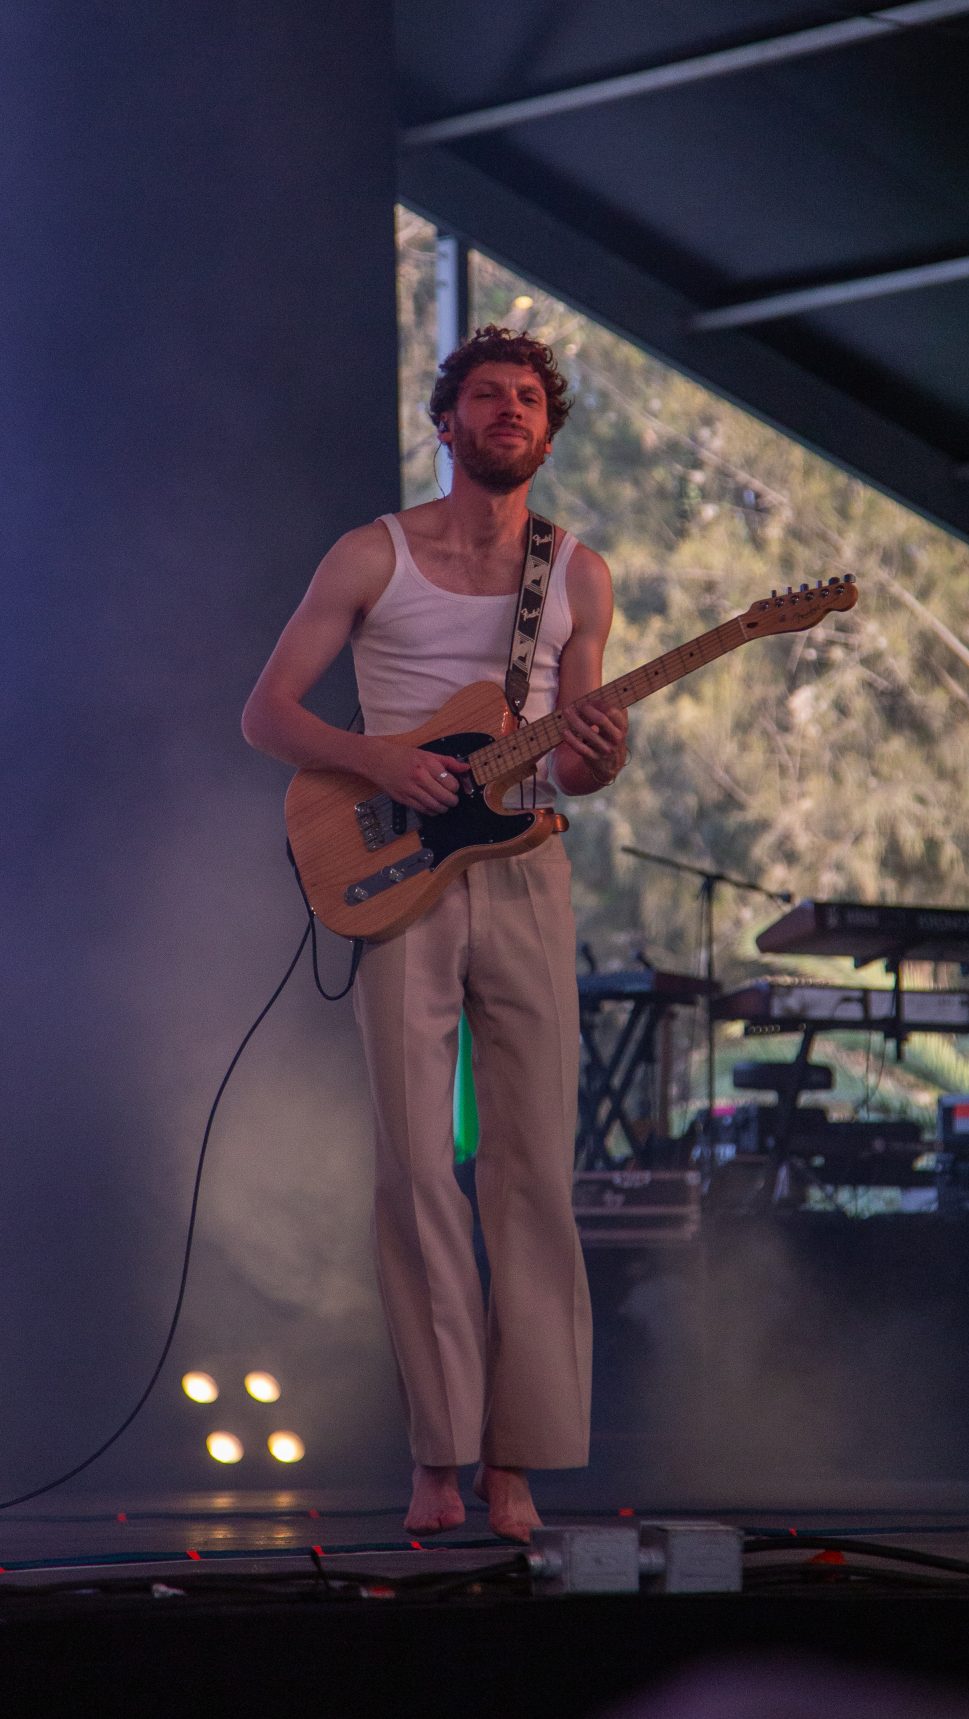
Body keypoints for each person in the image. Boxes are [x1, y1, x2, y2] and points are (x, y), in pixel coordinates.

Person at [242, 325, 628, 1541]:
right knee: (415, 1171)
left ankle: (519, 1463)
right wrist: (378, 760)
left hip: (525, 875)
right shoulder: (374, 551)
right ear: (445, 421)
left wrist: (601, 757)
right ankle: (437, 1460)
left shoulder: (577, 574)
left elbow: (576, 757)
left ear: (549, 432)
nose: (509, 412)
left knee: (531, 1177)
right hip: (397, 871)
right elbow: (267, 714)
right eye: (486, 397)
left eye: (528, 400)